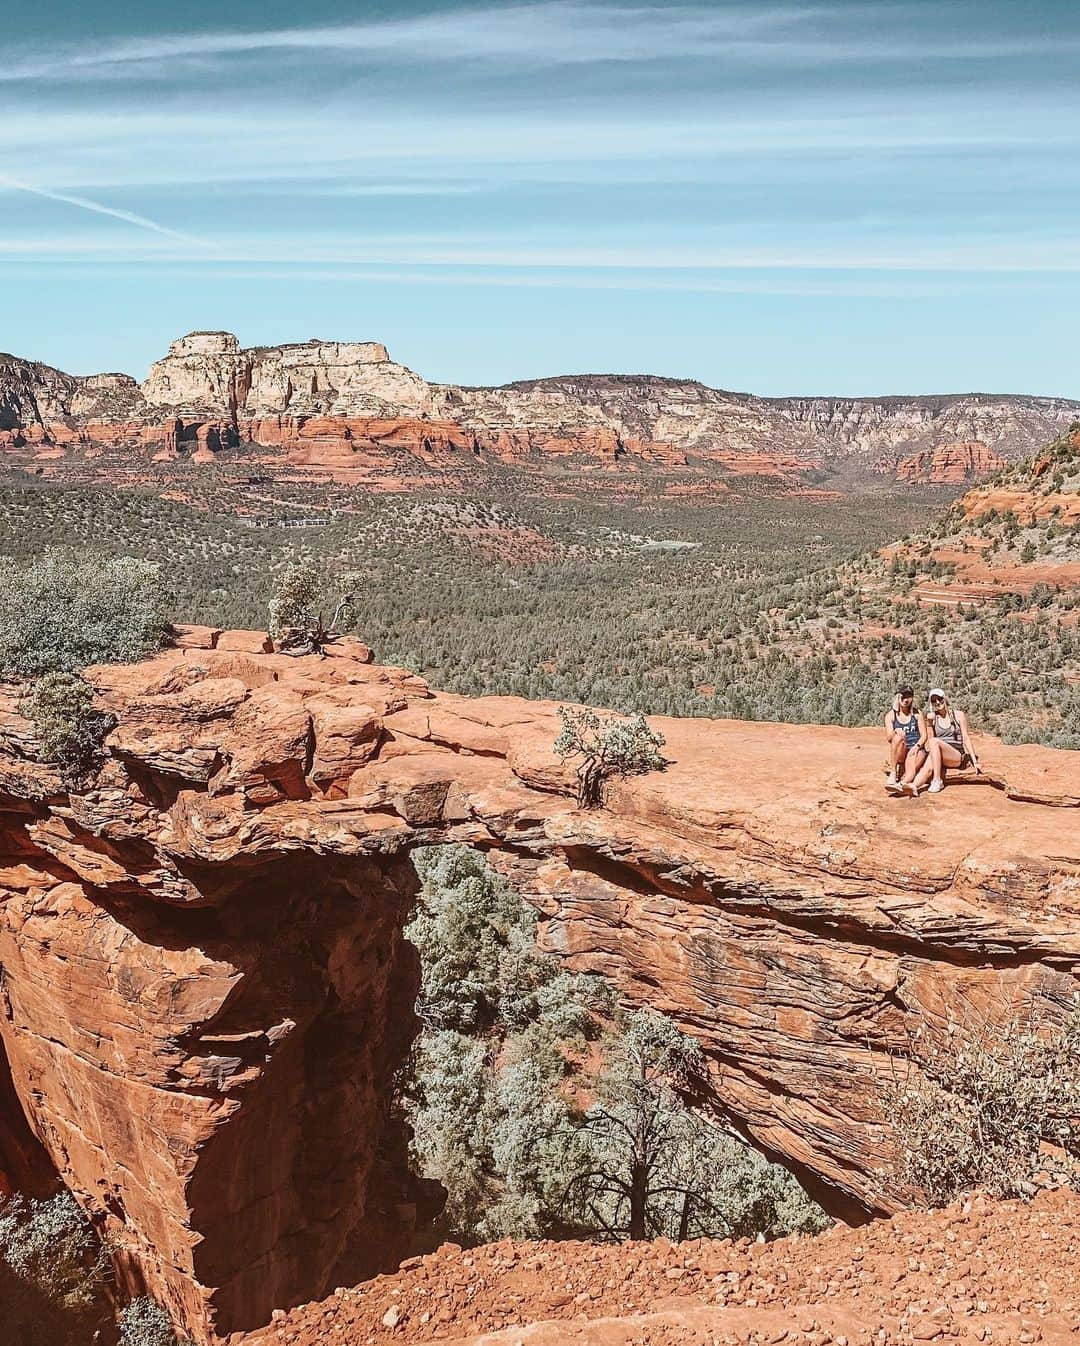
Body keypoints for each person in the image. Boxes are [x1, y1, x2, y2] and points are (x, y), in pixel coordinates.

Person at [908, 688, 981, 795]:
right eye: (934, 700)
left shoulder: (958, 715)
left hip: (956, 756)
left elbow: (965, 738)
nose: (938, 702)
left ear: (945, 698)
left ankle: (937, 780)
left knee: (934, 742)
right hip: (940, 754)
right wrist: (929, 724)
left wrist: (975, 762)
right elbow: (930, 740)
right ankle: (913, 786)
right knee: (928, 766)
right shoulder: (933, 718)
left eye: (940, 699)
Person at [884, 686, 926, 794]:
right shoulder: (891, 715)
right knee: (898, 737)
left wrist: (917, 747)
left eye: (909, 697)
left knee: (911, 767)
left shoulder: (917, 714)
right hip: (901, 750)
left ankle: (901, 784)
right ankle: (893, 773)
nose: (905, 700)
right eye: (903, 696)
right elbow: (889, 738)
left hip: (916, 748)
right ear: (898, 697)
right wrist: (895, 732)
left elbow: (924, 736)